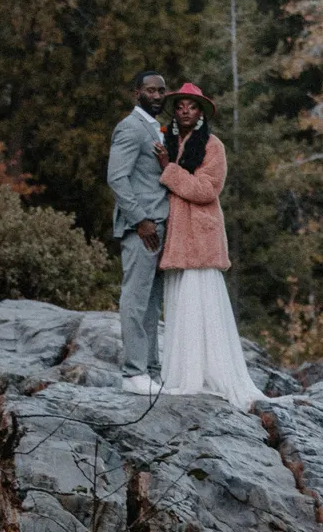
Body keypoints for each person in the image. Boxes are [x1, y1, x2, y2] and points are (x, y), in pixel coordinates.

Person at [154, 82, 265, 408]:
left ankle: (207, 374)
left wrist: (168, 171)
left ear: (201, 112)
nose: (185, 110)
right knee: (180, 302)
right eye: (180, 105)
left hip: (201, 235)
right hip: (177, 235)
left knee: (200, 301)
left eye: (191, 105)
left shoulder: (213, 146)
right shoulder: (168, 142)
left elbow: (206, 190)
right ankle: (183, 374)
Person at [106, 70, 170, 394]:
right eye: (151, 90)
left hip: (160, 226)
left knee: (152, 304)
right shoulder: (130, 127)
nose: (157, 96)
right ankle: (133, 373)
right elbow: (116, 178)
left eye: (161, 90)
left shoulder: (157, 128)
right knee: (135, 300)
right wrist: (140, 220)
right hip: (142, 229)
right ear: (137, 94)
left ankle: (151, 372)